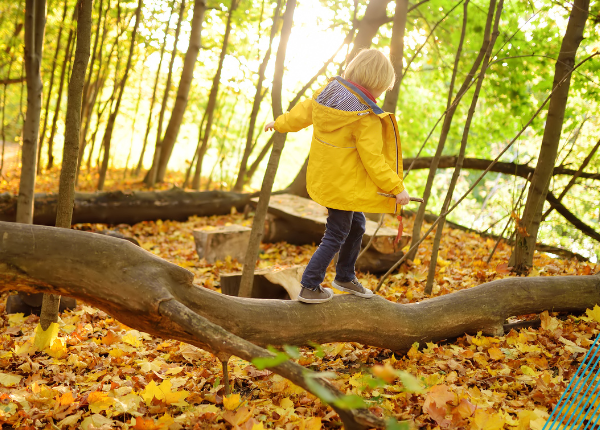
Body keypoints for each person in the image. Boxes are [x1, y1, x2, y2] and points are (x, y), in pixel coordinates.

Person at [264, 49, 411, 304]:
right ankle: (310, 285)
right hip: (345, 187)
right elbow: (374, 160)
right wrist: (397, 188)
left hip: (329, 181)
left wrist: (279, 123)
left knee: (357, 226)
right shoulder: (364, 118)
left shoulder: (325, 96)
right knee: (337, 233)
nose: (380, 94)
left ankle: (344, 275)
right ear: (375, 83)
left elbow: (300, 114)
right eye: (381, 88)